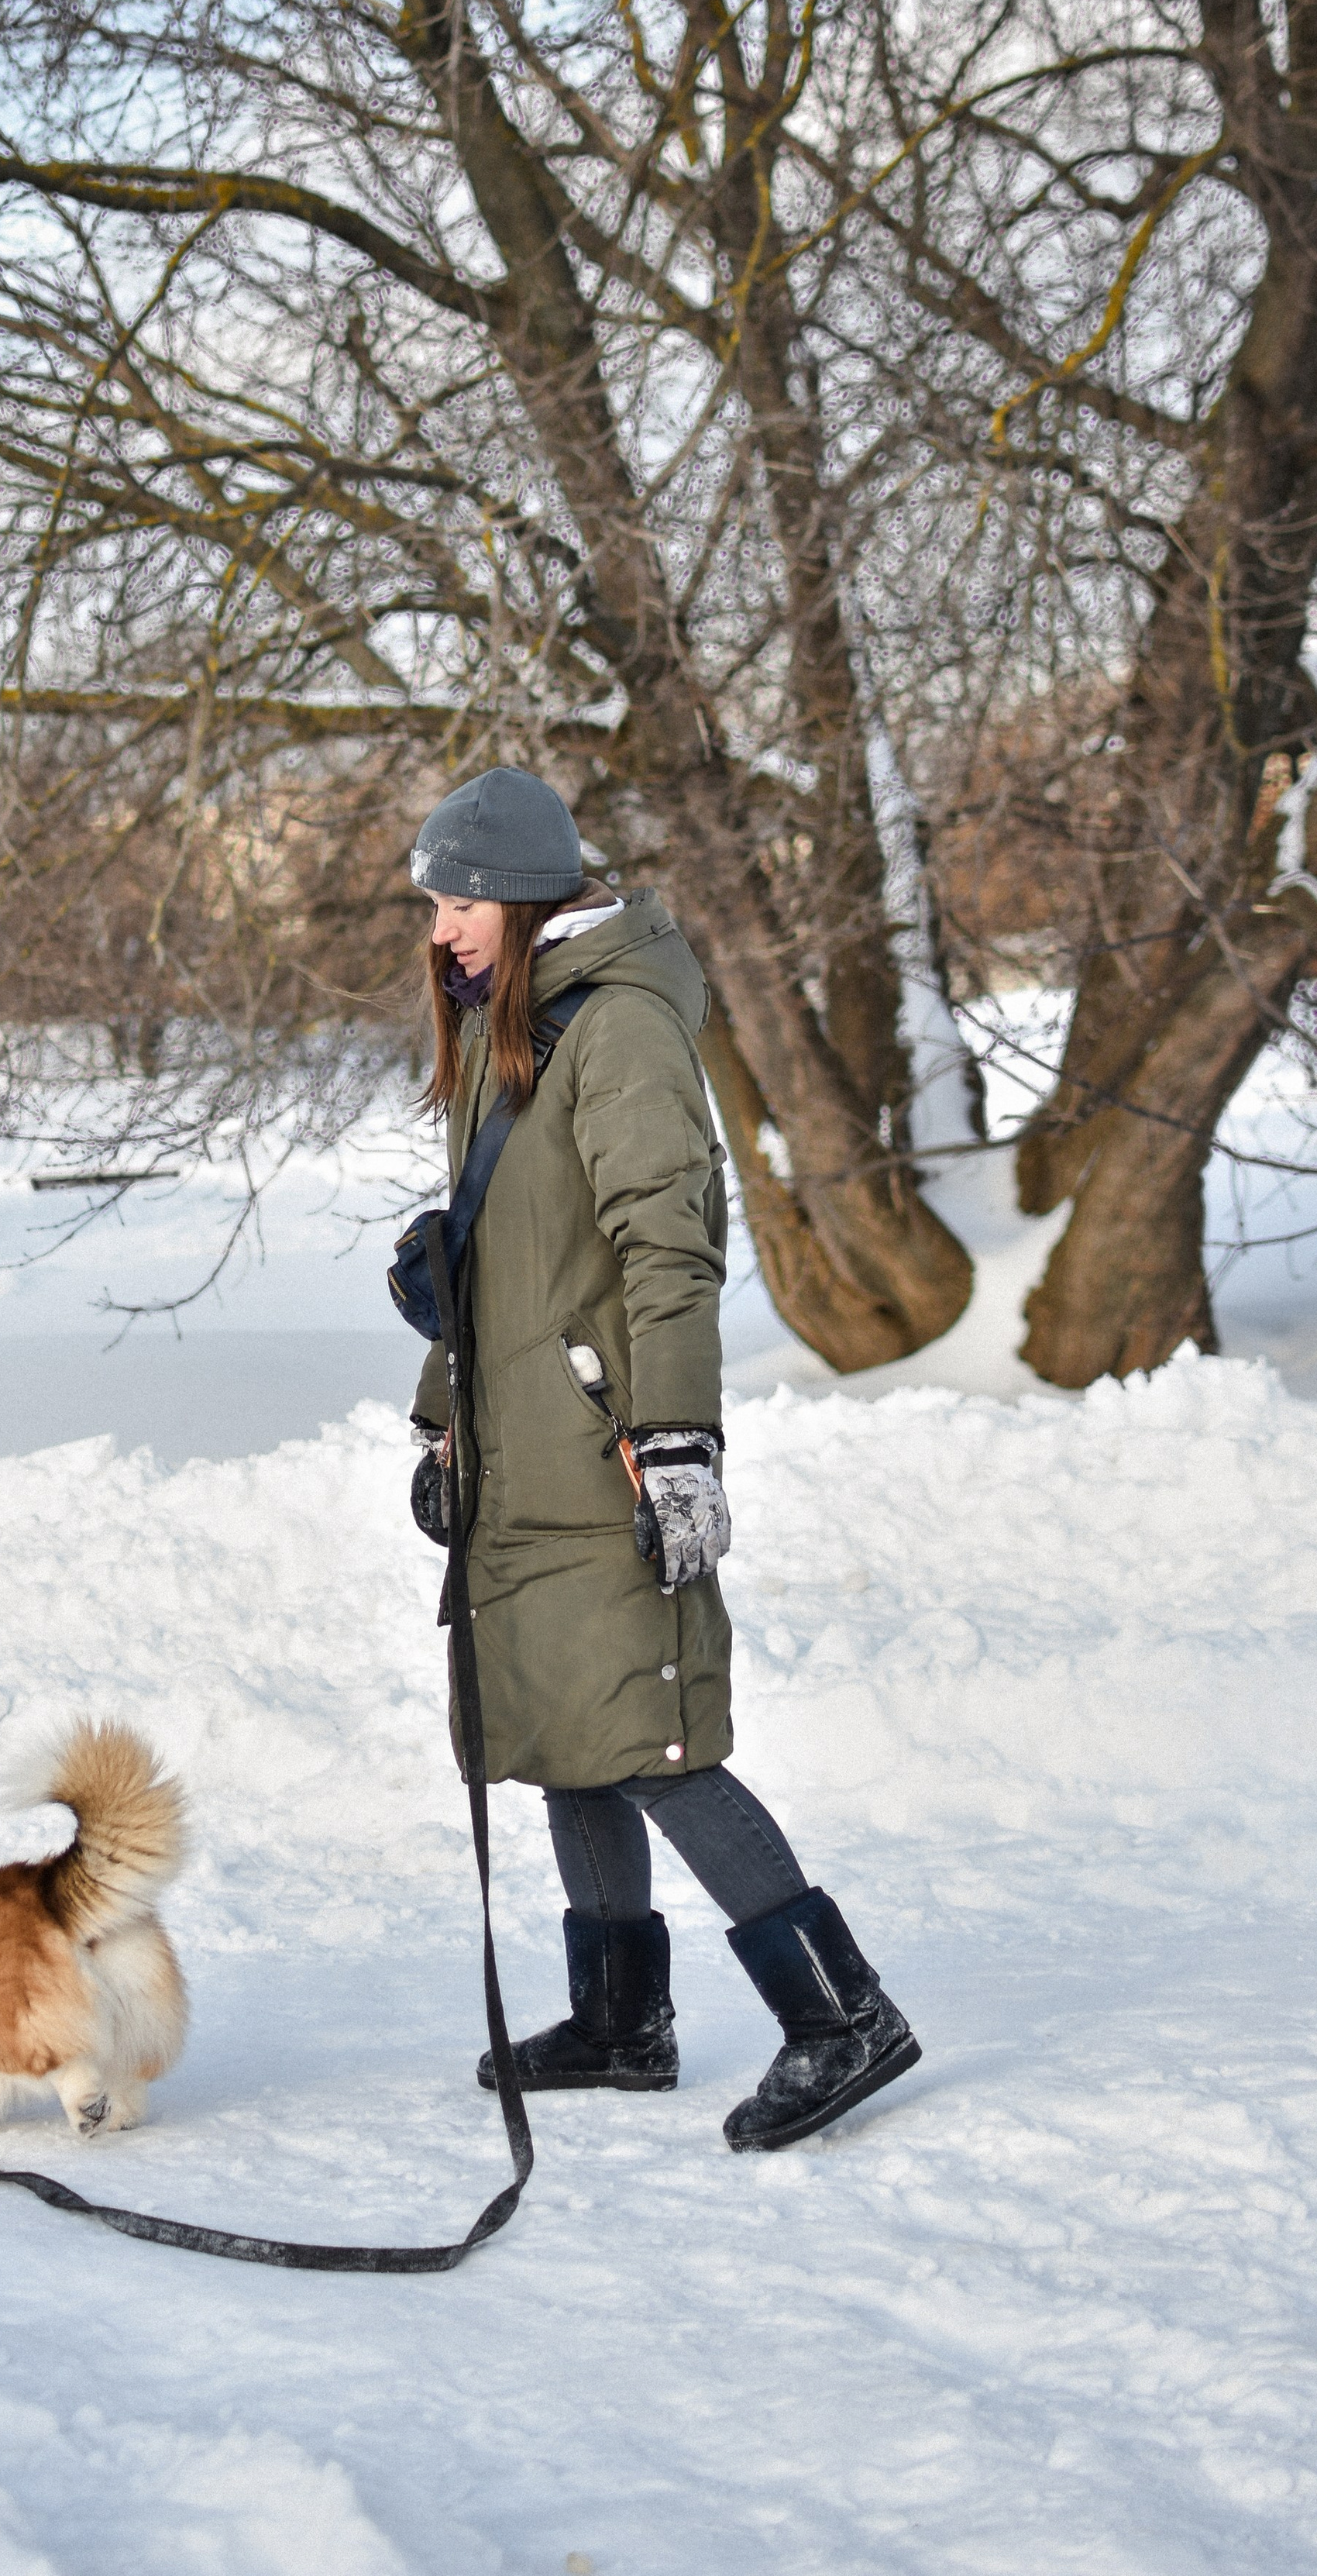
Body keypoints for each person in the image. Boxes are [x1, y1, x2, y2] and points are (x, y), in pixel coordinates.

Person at [404, 765, 920, 2152]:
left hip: (608, 1456)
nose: (441, 926)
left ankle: (840, 2016)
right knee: (570, 1731)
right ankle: (625, 2021)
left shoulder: (619, 1025)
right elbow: (512, 1260)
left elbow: (665, 1251)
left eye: (458, 899)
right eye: (435, 902)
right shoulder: (520, 1029)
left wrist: (680, 1439)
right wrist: (441, 1406)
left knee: (652, 1740)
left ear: (519, 897)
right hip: (526, 1458)